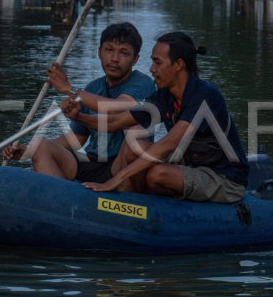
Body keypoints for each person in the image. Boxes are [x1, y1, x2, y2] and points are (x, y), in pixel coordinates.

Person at [85, 31, 248, 203]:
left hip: (224, 179)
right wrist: (78, 114)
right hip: (189, 165)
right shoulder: (164, 96)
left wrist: (118, 177)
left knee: (158, 174)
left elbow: (169, 143)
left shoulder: (206, 95)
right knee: (134, 145)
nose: (151, 69)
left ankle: (148, 205)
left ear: (178, 64)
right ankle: (136, 203)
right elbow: (116, 122)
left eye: (157, 62)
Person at [3, 22, 155, 182]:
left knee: (135, 138)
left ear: (135, 59)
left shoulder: (143, 83)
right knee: (40, 146)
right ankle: (59, 201)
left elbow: (116, 109)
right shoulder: (92, 88)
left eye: (124, 53)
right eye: (109, 50)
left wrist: (70, 91)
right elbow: (74, 139)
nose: (115, 59)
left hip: (121, 166)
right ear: (99, 52)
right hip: (91, 161)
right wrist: (28, 152)